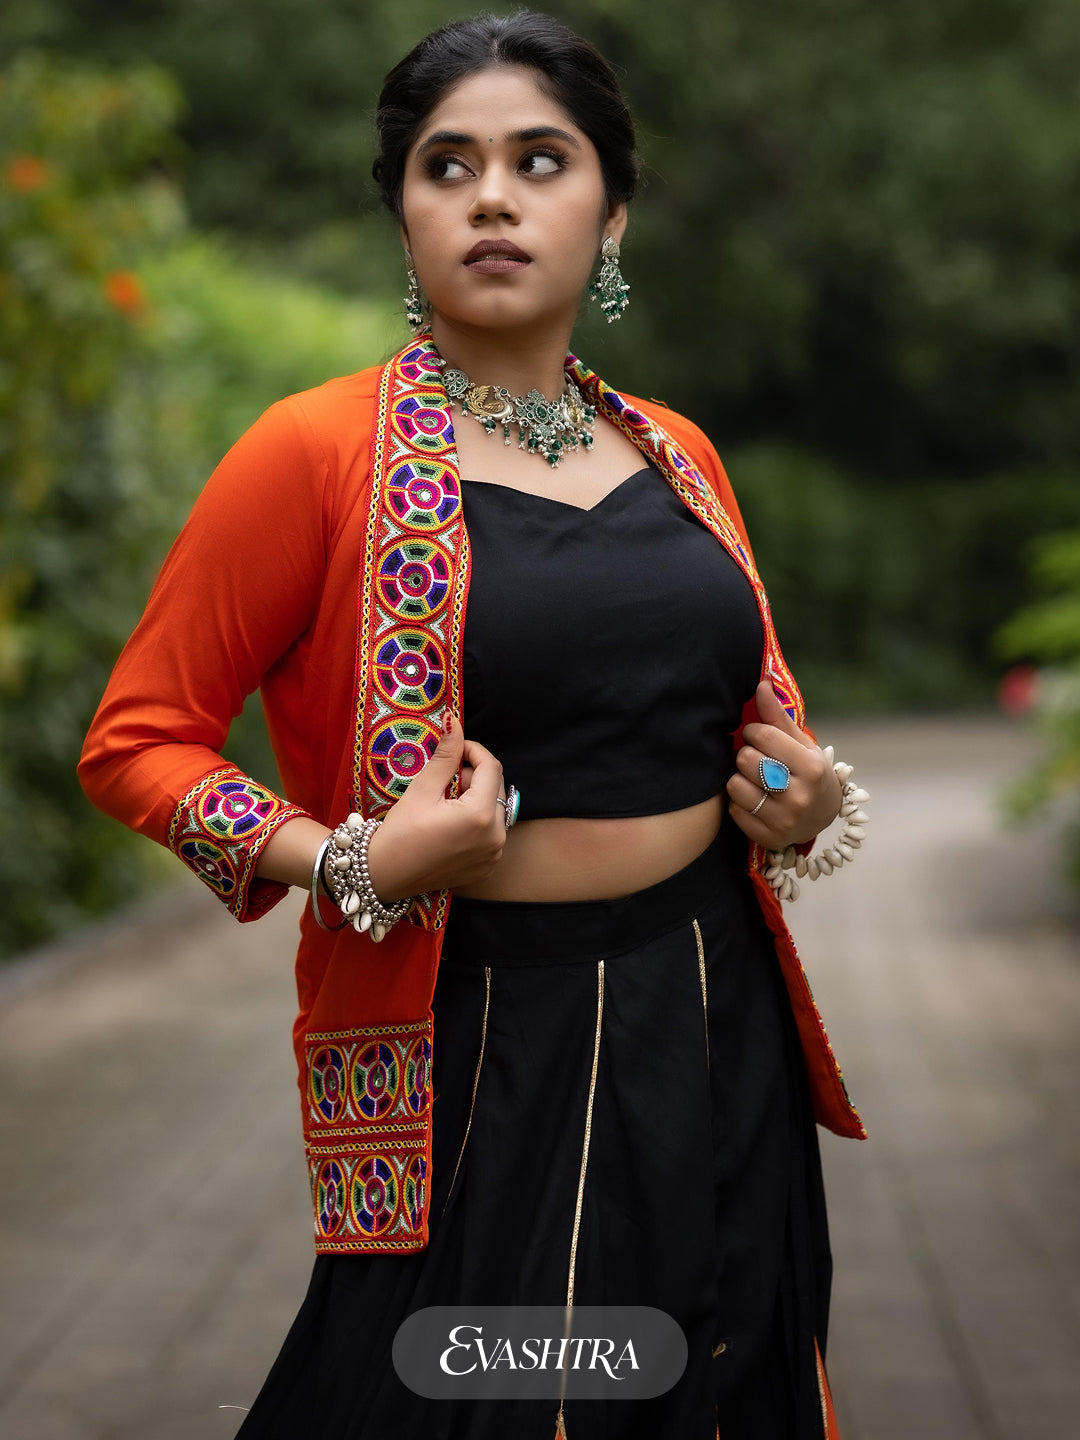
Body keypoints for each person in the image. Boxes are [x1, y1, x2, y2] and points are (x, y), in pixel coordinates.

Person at [78, 10, 870, 1438]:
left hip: (711, 1008)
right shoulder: (313, 453)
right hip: (478, 1036)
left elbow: (761, 717)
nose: (492, 195)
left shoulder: (674, 452)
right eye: (448, 165)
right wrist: (355, 862)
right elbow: (136, 742)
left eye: (539, 159)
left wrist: (807, 804)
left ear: (609, 213)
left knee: (723, 1381)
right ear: (403, 214)